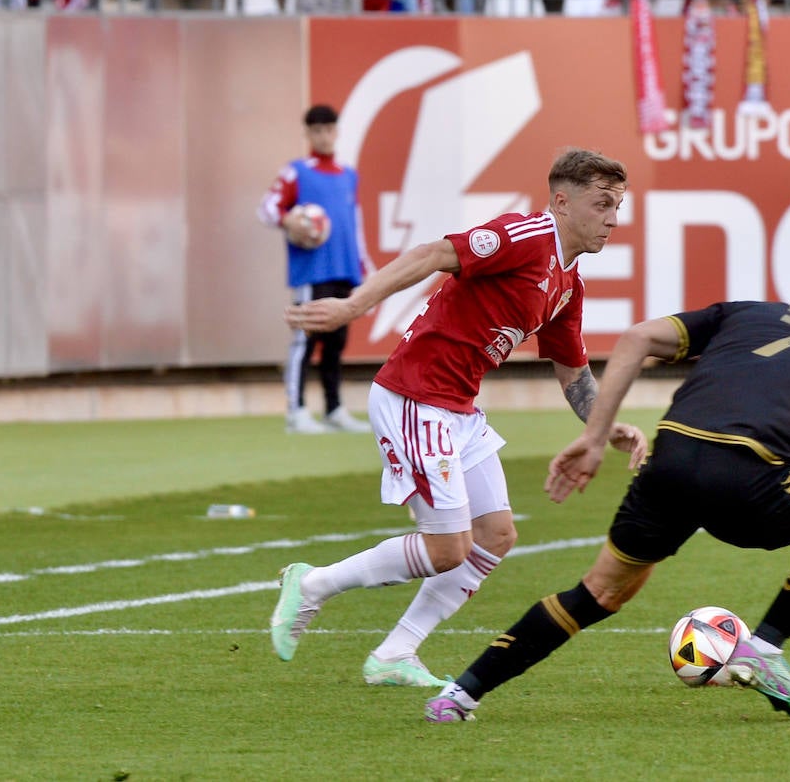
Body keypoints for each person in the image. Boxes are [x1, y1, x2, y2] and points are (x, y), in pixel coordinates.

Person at [423, 260, 790, 723]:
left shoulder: (745, 314)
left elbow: (635, 339)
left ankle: (460, 694)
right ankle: (767, 647)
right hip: (749, 486)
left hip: (668, 464)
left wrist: (596, 436)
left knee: (597, 593)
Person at [271, 148, 648, 687]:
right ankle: (312, 586)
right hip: (416, 396)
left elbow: (573, 373)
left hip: (458, 407)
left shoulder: (568, 285)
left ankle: (396, 652)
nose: (612, 218)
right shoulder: (525, 237)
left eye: (618, 206)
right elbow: (431, 254)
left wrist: (606, 428)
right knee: (447, 548)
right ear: (562, 202)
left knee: (495, 535)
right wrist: (354, 306)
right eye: (602, 204)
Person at [257, 104, 374, 435]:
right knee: (303, 342)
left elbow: (356, 225)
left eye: (329, 130)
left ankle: (334, 408)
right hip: (312, 272)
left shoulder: (349, 175)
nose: (323, 136)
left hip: (344, 271)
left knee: (336, 343)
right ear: (308, 134)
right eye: (317, 131)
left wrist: (364, 268)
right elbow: (266, 208)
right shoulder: (296, 172)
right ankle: (296, 412)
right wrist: (288, 219)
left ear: (336, 132)